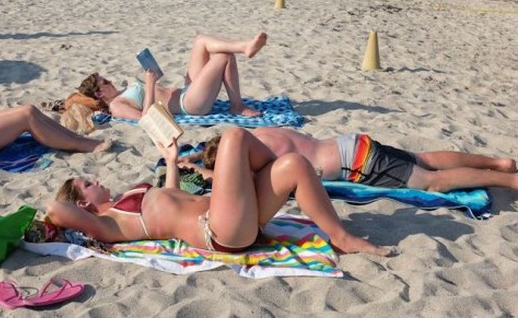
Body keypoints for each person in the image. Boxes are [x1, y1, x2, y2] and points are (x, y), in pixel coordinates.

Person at [47, 128, 391, 256]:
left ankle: (340, 237)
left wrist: (172, 160)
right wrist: (56, 216)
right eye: (87, 184)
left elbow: (172, 197)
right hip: (218, 229)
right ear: (83, 203)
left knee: (295, 164)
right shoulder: (109, 223)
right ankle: (264, 172)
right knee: (234, 138)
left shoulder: (127, 199)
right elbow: (57, 210)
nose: (95, 180)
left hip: (233, 215)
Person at [180, 127, 517, 193]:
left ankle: (508, 180)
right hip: (352, 142)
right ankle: (498, 162)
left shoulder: (258, 158)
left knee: (433, 182)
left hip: (358, 162)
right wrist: (196, 154)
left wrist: (195, 167)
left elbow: (237, 182)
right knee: (423, 157)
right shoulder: (259, 133)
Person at [77, 33, 269, 120]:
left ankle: (244, 46)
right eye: (105, 82)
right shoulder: (116, 105)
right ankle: (237, 106)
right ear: (99, 93)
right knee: (223, 57)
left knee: (200, 41)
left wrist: (152, 81)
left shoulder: (121, 93)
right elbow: (145, 119)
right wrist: (150, 85)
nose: (110, 81)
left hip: (186, 91)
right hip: (189, 105)